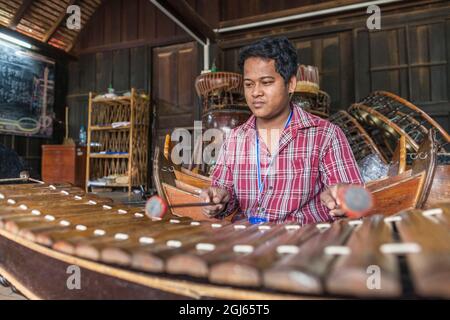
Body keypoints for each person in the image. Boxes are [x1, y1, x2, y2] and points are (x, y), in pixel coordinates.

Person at [200, 37, 363, 224]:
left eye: (266, 82)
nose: (255, 92)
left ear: (291, 84)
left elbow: (355, 202)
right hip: (249, 242)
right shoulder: (235, 139)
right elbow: (223, 199)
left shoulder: (325, 135)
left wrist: (343, 199)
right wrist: (216, 200)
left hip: (304, 244)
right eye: (249, 84)